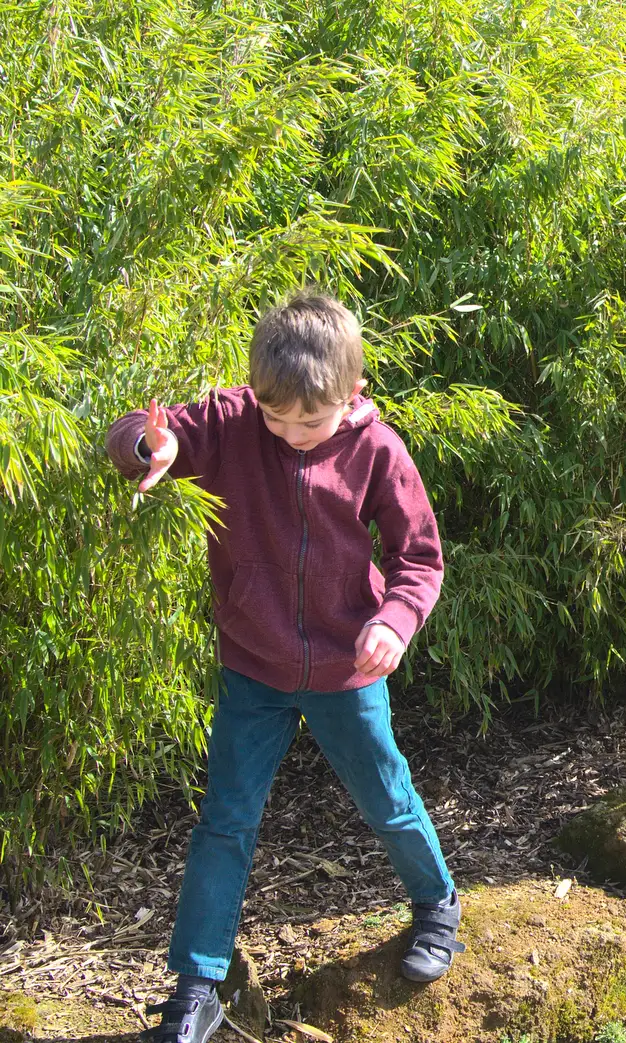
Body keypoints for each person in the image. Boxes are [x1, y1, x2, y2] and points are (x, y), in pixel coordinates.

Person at [105, 293, 462, 1043]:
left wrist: (394, 622)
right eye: (278, 418)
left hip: (347, 669)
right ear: (256, 393)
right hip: (254, 666)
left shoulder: (377, 449)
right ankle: (196, 986)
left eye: (311, 419)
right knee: (225, 822)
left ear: (352, 395)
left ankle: (436, 903)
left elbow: (419, 558)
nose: (293, 434)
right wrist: (150, 448)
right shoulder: (233, 422)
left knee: (387, 798)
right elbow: (138, 430)